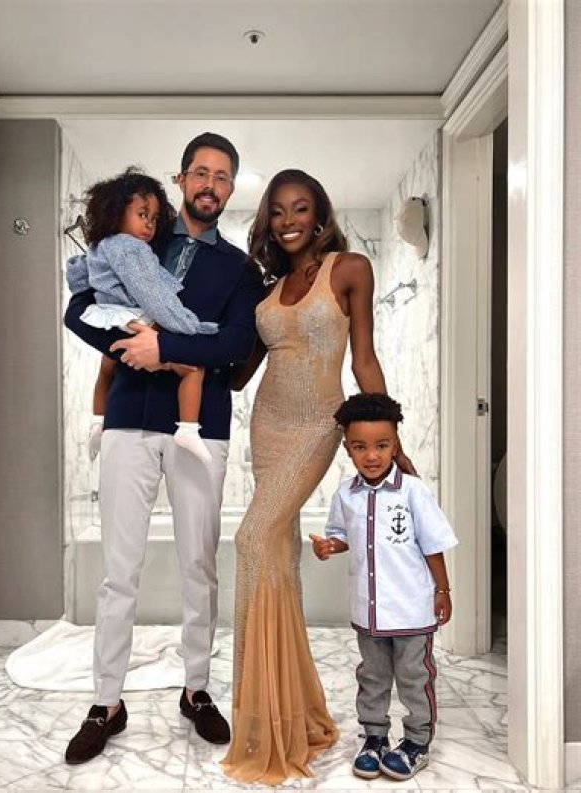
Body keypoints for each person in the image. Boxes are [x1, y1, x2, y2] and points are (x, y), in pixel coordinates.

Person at [63, 132, 265, 765]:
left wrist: (166, 349)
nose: (210, 184)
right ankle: (106, 703)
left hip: (200, 429)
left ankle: (196, 690)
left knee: (199, 566)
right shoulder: (138, 236)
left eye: (223, 176)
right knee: (118, 571)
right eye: (200, 172)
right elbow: (78, 310)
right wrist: (134, 345)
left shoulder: (240, 270)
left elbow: (235, 344)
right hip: (128, 421)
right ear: (181, 180)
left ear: (230, 189)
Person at [222, 169, 415, 785]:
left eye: (300, 208)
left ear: (320, 214)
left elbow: (364, 360)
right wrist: (181, 341)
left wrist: (392, 439)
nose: (288, 220)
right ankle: (283, 719)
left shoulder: (349, 269)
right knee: (276, 555)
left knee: (251, 539)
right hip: (267, 425)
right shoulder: (269, 290)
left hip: (316, 426)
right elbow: (238, 373)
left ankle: (270, 718)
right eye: (277, 211)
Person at [310, 392, 457, 781]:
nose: (372, 455)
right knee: (372, 678)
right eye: (360, 447)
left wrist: (443, 591)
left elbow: (433, 546)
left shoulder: (413, 491)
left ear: (395, 445)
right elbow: (343, 535)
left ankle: (417, 742)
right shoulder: (346, 495)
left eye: (381, 445)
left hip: (411, 610)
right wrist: (331, 546)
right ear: (348, 448)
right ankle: (374, 737)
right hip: (369, 610)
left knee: (414, 677)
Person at [66, 167, 219, 464]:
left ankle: (97, 422)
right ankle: (188, 428)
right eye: (142, 214)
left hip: (108, 313)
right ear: (117, 213)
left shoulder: (102, 245)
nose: (149, 224)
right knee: (191, 368)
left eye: (154, 218)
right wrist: (190, 326)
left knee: (107, 368)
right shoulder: (130, 248)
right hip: (132, 316)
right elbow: (152, 295)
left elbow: (78, 275)